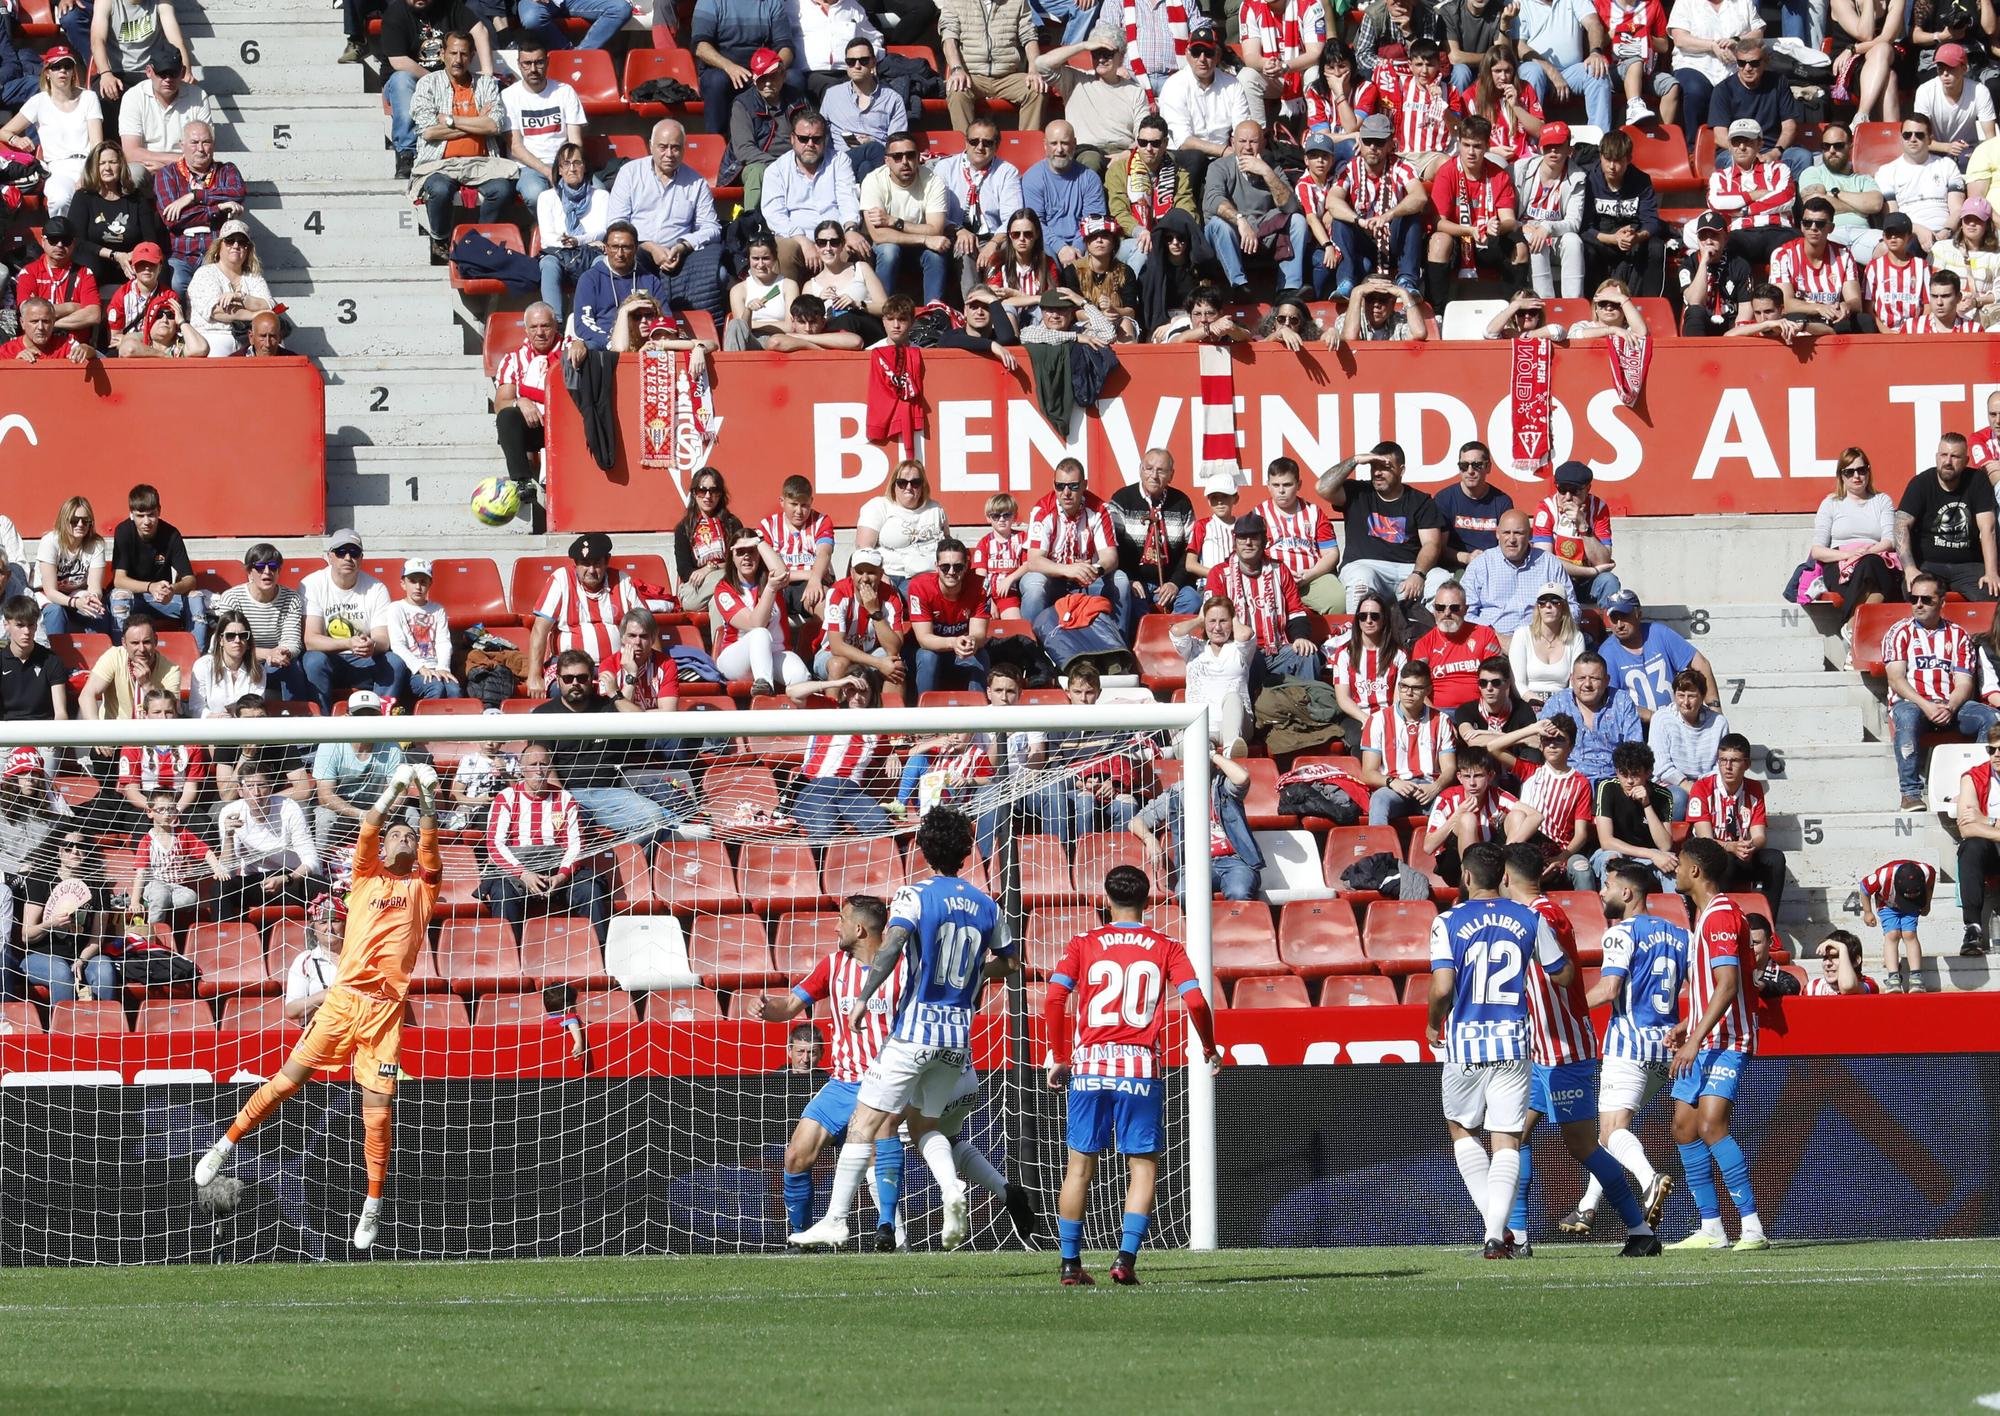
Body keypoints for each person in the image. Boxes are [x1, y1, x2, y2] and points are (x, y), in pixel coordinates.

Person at [195, 764, 442, 1253]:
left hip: (385, 1013)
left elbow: (432, 849)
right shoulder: (364, 877)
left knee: (377, 1115)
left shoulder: (423, 888)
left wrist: (428, 801)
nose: (402, 840)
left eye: (409, 837)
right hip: (343, 1001)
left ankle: (372, 1205)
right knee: (286, 1081)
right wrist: (395, 791)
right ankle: (224, 1145)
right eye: (396, 834)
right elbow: (369, 827)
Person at [790, 807, 1014, 1251]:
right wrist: (977, 975)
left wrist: (863, 996)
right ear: (967, 852)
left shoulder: (914, 895)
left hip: (916, 1029)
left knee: (865, 1123)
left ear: (924, 848)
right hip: (958, 1037)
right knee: (929, 1128)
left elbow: (891, 945)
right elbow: (1009, 963)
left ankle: (837, 1220)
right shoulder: (988, 905)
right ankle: (953, 1188)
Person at [1043, 863, 1218, 1286]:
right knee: (1142, 1167)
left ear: (1106, 900)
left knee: (1079, 1167)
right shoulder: (1166, 946)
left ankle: (1070, 1264)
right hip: (1140, 1066)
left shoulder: (1084, 942)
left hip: (1089, 1066)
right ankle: (1124, 1260)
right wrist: (1209, 1046)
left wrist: (1060, 1054)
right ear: (1148, 900)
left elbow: (1053, 997)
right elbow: (1195, 1002)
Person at [1499, 844, 1661, 1255]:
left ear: (1506, 876)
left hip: (1564, 1051)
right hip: (1542, 1051)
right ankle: (1516, 1238)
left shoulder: (1540, 915)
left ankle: (1641, 1232)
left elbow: (1563, 975)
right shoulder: (1539, 913)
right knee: (1511, 1138)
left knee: (1584, 1146)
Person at [1426, 841, 1572, 1259]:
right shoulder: (1529, 917)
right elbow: (1562, 975)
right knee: (1505, 1139)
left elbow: (1442, 987)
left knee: (1462, 1131)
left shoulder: (1447, 921)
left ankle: (1495, 1231)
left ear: (1466, 877)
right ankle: (1497, 1234)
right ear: (1503, 878)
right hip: (1513, 1040)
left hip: (1466, 1043)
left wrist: (1433, 1023)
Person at [754, 893, 912, 1248]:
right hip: (841, 1084)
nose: (835, 926)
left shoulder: (904, 966)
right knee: (796, 1156)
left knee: (872, 1161)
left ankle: (896, 1237)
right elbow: (791, 1005)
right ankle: (802, 1239)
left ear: (858, 929)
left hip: (883, 1084)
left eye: (841, 920)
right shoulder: (833, 965)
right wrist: (769, 1007)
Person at [1558, 858, 1685, 1237]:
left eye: (1607, 885)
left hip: (1628, 1044)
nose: (1601, 891)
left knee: (1612, 1131)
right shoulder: (1682, 936)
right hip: (1664, 1048)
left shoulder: (1620, 933)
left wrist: (1568, 1005)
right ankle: (1586, 1207)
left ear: (1627, 893)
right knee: (1612, 1132)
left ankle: (1648, 1180)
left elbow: (1610, 989)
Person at [1664, 837, 1767, 1251]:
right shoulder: (1705, 915)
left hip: (1728, 1039)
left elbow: (1727, 987)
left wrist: (1694, 1040)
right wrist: (1686, 1025)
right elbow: (1715, 988)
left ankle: (1753, 1227)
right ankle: (1711, 1227)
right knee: (1684, 1127)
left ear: (1695, 871)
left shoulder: (1722, 915)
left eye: (1679, 865)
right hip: (1706, 1036)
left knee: (1710, 1125)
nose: (1673, 870)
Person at [480, 742, 612, 951]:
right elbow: (495, 845)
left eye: (544, 764)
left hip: (556, 870)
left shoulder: (565, 799)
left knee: (590, 889)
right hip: (518, 871)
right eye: (533, 764)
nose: (539, 769)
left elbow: (575, 844)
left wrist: (561, 876)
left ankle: (600, 954)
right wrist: (524, 874)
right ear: (522, 768)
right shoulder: (506, 797)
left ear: (550, 768)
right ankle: (506, 958)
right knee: (502, 892)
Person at [1884, 572, 1991, 810]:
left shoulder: (1958, 635)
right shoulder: (1899, 633)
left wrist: (1950, 706)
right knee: (1907, 715)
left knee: (1990, 718)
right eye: (1914, 599)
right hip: (1912, 704)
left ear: (1942, 603)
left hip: (1950, 704)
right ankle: (1910, 793)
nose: (1918, 604)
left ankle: (1979, 787)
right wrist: (1926, 705)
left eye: (1926, 599)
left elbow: (1964, 683)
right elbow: (1896, 679)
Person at [609, 120, 727, 323]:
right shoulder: (629, 173)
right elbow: (616, 222)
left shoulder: (696, 183)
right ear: (651, 146)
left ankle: (699, 328)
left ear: (683, 149)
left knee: (721, 273)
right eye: (663, 147)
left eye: (676, 148)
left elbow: (712, 227)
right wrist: (649, 247)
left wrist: (683, 245)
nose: (669, 154)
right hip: (637, 249)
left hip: (678, 255)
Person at [1318, 441, 1452, 613]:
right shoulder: (1358, 492)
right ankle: (1360, 638)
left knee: (1441, 580)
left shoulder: (1420, 501)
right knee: (1361, 578)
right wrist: (1355, 460)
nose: (1378, 473)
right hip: (1366, 566)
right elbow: (1322, 487)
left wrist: (1418, 574)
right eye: (1374, 467)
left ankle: (1437, 639)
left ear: (1401, 470)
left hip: (1409, 569)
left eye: (1385, 467)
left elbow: (1431, 544)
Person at [1130, 747, 1263, 901]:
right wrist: (1149, 839)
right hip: (1196, 864)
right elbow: (1135, 821)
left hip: (1235, 861)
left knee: (1239, 892)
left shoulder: (1223, 784)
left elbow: (1242, 778)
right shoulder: (1178, 792)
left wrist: (1212, 754)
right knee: (1185, 892)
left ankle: (1235, 925)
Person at [1203, 514, 1319, 686]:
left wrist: (1300, 637)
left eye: (1254, 536)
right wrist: (1245, 644)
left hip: (1278, 650)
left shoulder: (1280, 570)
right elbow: (1213, 618)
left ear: (1264, 541)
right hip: (1238, 650)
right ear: (1235, 542)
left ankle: (1308, 710)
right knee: (1246, 656)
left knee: (1307, 654)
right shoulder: (1219, 573)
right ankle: (1247, 712)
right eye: (1242, 537)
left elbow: (1295, 611)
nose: (1248, 542)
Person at [1322, 113, 1428, 294]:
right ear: (1360, 142)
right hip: (1364, 237)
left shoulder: (1402, 167)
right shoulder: (1349, 168)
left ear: (1389, 145)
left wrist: (1389, 215)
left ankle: (1407, 280)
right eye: (1367, 141)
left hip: (1392, 238)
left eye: (1379, 142)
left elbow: (1420, 197)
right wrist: (1358, 221)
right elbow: (1332, 201)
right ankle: (1345, 282)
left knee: (1412, 215)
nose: (1372, 147)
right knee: (1338, 219)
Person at [1424, 114, 1522, 307]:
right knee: (1438, 241)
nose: (1471, 152)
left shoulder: (1499, 175)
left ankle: (1515, 310)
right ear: (1459, 143)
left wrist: (1499, 227)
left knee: (1519, 248)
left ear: (1486, 146)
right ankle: (1436, 312)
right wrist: (1469, 230)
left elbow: (1509, 220)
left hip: (1488, 239)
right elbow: (1439, 222)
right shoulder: (1447, 172)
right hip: (1458, 238)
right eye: (1466, 145)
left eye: (1477, 146)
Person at [1201, 119, 1309, 294]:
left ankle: (1289, 288)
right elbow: (1213, 200)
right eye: (1242, 141)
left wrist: (1266, 172)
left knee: (1297, 220)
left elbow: (1290, 206)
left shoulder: (1272, 166)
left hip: (1263, 231)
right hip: (1233, 233)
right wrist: (1240, 221)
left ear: (1263, 143)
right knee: (1217, 225)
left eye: (1254, 141)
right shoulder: (1218, 167)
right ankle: (1239, 286)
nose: (1248, 147)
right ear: (1233, 142)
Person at [760, 111, 866, 285]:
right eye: (803, 139)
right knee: (783, 250)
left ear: (825, 140)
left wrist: (850, 230)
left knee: (855, 245)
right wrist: (803, 240)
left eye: (816, 139)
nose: (810, 144)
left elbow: (848, 200)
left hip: (835, 236)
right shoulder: (775, 170)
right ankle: (791, 306)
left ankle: (846, 307)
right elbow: (775, 215)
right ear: (792, 139)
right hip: (795, 238)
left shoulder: (840, 161)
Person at [301, 530, 399, 712]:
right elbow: (310, 640)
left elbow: (383, 639)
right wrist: (348, 643)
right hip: (329, 659)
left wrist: (371, 645)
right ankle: (319, 726)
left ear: (361, 558)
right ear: (330, 556)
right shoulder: (312, 584)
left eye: (354, 553)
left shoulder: (376, 588)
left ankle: (382, 722)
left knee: (394, 662)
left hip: (363, 659)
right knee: (313, 660)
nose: (348, 558)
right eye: (341, 552)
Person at [1685, 731, 1783, 913]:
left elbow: (1760, 835)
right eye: (1723, 760)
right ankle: (1723, 920)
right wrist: (1730, 847)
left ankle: (1766, 927)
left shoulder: (1754, 788)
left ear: (1747, 764)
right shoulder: (1702, 787)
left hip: (1740, 853)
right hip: (1709, 857)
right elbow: (1705, 840)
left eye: (1735, 761)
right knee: (1726, 860)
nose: (1727, 767)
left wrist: (1749, 845)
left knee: (1775, 859)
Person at [20, 823, 116, 1004]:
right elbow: (26, 935)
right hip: (41, 957)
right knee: (61, 972)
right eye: (68, 846)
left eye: (81, 846)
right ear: (58, 850)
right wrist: (51, 924)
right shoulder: (40, 879)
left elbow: (97, 937)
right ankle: (64, 1030)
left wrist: (81, 959)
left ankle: (103, 1026)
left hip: (83, 957)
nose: (75, 851)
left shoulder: (98, 886)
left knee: (105, 968)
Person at [0, 45, 101, 215]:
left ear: (73, 71)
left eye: (67, 66)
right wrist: (15, 139)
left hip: (88, 163)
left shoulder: (88, 98)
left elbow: (97, 144)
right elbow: (4, 131)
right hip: (57, 167)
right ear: (47, 72)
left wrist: (89, 173)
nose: (63, 71)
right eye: (56, 66)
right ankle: (60, 239)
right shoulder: (38, 101)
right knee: (59, 198)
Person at [1897, 436, 1999, 602]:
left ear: (1966, 460)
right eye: (1943, 455)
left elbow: (1988, 529)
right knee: (1916, 594)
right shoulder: (1921, 483)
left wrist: (1991, 572)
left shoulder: (1978, 481)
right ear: (1937, 457)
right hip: (1930, 564)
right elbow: (1901, 525)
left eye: (1955, 456)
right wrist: (1909, 568)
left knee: (1992, 593)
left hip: (1969, 566)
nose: (1948, 461)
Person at [1019, 458, 1119, 627]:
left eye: (1073, 486)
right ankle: (1030, 648)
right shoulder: (1043, 510)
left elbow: (1111, 557)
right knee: (1033, 585)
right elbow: (1034, 561)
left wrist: (1095, 569)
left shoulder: (1100, 509)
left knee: (1121, 581)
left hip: (1088, 577)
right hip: (1052, 577)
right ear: (1054, 485)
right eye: (1060, 486)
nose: (1066, 492)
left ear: (1084, 484)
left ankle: (1118, 645)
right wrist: (1069, 570)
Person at [152, 121, 245, 299]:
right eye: (194, 142)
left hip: (216, 253)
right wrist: (217, 208)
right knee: (176, 287)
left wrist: (194, 197)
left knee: (218, 290)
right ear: (183, 145)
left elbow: (238, 192)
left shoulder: (227, 171)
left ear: (213, 145)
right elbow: (172, 219)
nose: (200, 149)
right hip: (180, 254)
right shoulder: (167, 174)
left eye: (206, 142)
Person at [215, 759, 319, 919]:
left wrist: (287, 879)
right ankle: (226, 939)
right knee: (220, 887)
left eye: (262, 785)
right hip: (254, 880)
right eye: (250, 786)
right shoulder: (230, 812)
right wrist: (229, 837)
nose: (256, 793)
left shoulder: (289, 808)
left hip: (289, 878)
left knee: (319, 884)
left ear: (270, 788)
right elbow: (228, 872)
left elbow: (312, 861)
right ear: (240, 790)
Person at [1158, 21, 1250, 196]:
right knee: (1196, 158)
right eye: (1196, 52)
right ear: (1187, 54)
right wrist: (1225, 151)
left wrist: (1239, 151)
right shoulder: (1174, 85)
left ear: (1217, 55)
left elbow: (1242, 127)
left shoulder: (1233, 84)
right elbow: (1184, 141)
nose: (1202, 59)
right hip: (1184, 157)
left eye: (1208, 53)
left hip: (1223, 157)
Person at [1360, 661, 1458, 826]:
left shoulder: (1441, 720)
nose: (1409, 693)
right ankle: (1379, 851)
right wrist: (1393, 782)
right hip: (1394, 787)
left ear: (1428, 690)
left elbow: (1449, 768)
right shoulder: (1377, 720)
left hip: (1430, 787)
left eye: (1416, 688)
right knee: (1379, 800)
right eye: (1404, 686)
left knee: (1454, 805)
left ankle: (1446, 852)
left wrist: (1436, 787)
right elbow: (1369, 772)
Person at [713, 531, 812, 692]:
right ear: (732, 557)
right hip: (736, 658)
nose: (746, 557)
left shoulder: (771, 578)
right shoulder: (724, 588)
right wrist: (771, 589)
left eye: (751, 551)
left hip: (776, 652)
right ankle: (763, 686)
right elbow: (755, 624)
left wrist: (759, 542)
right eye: (740, 552)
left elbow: (782, 573)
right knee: (760, 633)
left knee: (800, 676)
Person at [1598, 591, 1717, 725]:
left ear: (1639, 614)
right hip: (1637, 729)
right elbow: (1611, 700)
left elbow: (1701, 663)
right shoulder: (1607, 652)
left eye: (1625, 616)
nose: (1619, 624)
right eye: (1614, 618)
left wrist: (1714, 707)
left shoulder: (1659, 632)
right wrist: (1655, 718)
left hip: (1677, 721)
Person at [1573, 738, 1675, 890]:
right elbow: (1606, 842)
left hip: (1647, 855)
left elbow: (1665, 845)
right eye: (1623, 774)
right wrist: (1652, 854)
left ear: (1648, 772)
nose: (1629, 781)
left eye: (1635, 775)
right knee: (1613, 859)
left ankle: (1676, 912)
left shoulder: (1663, 795)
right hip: (1613, 852)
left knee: (1670, 863)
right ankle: (1613, 910)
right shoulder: (1607, 788)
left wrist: (1647, 804)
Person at [108, 482, 202, 646]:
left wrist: (172, 589)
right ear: (131, 514)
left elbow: (190, 579)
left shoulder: (171, 534)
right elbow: (119, 580)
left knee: (196, 598)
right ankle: (121, 658)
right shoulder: (123, 531)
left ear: (159, 511)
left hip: (163, 598)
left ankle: (196, 661)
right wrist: (151, 586)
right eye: (140, 515)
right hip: (133, 597)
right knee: (119, 596)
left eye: (151, 514)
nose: (146, 521)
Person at [215, 544, 307, 703]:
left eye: (273, 566)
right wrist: (268, 654)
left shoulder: (291, 599)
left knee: (294, 667)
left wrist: (282, 654)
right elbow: (229, 642)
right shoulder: (232, 598)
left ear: (279, 571)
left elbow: (292, 641)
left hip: (277, 662)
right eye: (259, 567)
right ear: (249, 571)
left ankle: (298, 716)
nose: (267, 572)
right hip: (241, 660)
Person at [1705, 36, 1808, 177]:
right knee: (1734, 161)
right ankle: (1746, 198)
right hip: (1737, 151)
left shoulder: (1779, 83)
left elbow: (1789, 127)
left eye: (1754, 63)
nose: (1747, 68)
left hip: (1773, 149)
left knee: (1802, 157)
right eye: (1741, 63)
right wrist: (1750, 154)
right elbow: (1720, 136)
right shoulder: (1723, 90)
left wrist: (1775, 152)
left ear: (1766, 62)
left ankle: (1789, 197)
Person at [1465, 512, 1577, 638]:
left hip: (1541, 640)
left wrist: (1551, 632)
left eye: (1518, 533)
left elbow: (1572, 608)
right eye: (1506, 533)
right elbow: (1465, 613)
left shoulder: (1550, 564)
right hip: (1493, 642)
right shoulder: (1480, 565)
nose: (1512, 539)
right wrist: (1495, 636)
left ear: (1530, 535)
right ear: (1497, 534)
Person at [1539, 652, 1643, 787]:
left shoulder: (1621, 701)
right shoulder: (1557, 703)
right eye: (1581, 678)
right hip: (1568, 781)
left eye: (1594, 678)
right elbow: (1544, 743)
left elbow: (1634, 748)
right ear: (1572, 680)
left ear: (1607, 680)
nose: (1587, 684)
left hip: (1613, 782)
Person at [71, 142, 165, 291]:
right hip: (98, 260)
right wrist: (115, 255)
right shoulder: (83, 197)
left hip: (131, 260)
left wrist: (131, 256)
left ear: (121, 165)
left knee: (154, 265)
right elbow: (77, 241)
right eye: (101, 163)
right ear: (94, 167)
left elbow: (150, 239)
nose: (107, 168)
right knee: (87, 266)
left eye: (112, 162)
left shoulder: (136, 198)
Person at [1422, 745, 1519, 887]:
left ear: (1490, 776)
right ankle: (1472, 887)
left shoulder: (1497, 795)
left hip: (1492, 860)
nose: (1472, 783)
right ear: (1459, 777)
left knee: (1518, 816)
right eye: (1467, 776)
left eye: (1478, 776)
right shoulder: (1448, 798)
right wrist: (1456, 817)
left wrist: (1506, 850)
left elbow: (1535, 816)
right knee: (1467, 819)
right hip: (1454, 866)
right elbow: (1428, 847)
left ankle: (1508, 880)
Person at [1531, 460, 1623, 609]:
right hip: (1559, 579)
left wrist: (1582, 525)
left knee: (1609, 581)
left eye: (1574, 491)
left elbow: (1603, 561)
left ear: (1588, 489)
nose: (1567, 497)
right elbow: (1545, 562)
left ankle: (1609, 628)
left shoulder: (1599, 508)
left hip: (1590, 583)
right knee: (1544, 580)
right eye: (1562, 489)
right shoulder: (1546, 508)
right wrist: (1590, 571)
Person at [1705, 120, 1796, 267]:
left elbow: (1786, 197)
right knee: (1727, 250)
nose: (1741, 147)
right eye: (1736, 142)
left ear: (1760, 144)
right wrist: (1752, 195)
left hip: (1779, 231)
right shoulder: (1720, 176)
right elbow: (1716, 203)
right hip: (1740, 234)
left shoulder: (1778, 169)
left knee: (1793, 250)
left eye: (1747, 141)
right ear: (1729, 146)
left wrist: (1744, 210)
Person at [905, 539, 990, 696]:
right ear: (936, 566)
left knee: (980, 655)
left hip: (959, 652)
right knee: (928, 656)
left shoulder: (980, 587)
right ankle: (924, 714)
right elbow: (924, 639)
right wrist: (953, 642)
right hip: (926, 652)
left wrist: (970, 642)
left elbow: (979, 635)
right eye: (945, 567)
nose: (951, 572)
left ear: (966, 567)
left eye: (958, 567)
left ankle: (978, 714)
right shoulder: (919, 587)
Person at [1323, 589, 1407, 747]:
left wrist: (1386, 721)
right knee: (1361, 740)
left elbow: (1398, 698)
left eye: (1374, 616)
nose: (1368, 621)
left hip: (1389, 715)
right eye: (1363, 616)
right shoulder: (1343, 654)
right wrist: (1365, 718)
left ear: (1384, 619)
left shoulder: (1399, 654)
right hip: (1356, 715)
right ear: (1357, 620)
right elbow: (1343, 698)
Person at [1171, 599, 1256, 754]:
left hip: (1236, 727)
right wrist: (1199, 620)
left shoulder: (1239, 650)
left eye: (1223, 621)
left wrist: (1234, 615)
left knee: (1233, 697)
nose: (1217, 627)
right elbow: (1176, 631)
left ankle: (1232, 750)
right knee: (1182, 744)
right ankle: (1211, 754)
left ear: (1232, 622)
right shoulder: (1195, 647)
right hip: (1202, 727)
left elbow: (1245, 634)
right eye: (1212, 621)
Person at [1798, 123, 1887, 267]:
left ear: (1850, 147)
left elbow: (1875, 204)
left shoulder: (1864, 179)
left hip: (1862, 233)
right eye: (1826, 146)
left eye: (1838, 146)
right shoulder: (1812, 172)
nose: (1831, 151)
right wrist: (1860, 206)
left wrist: (1834, 194)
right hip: (1827, 232)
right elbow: (1815, 206)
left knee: (1890, 248)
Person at [854, 459, 948, 595]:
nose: (909, 487)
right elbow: (863, 549)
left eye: (915, 483)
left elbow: (948, 543)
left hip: (930, 575)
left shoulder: (936, 509)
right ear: (894, 485)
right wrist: (880, 575)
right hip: (891, 575)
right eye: (902, 483)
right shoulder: (879, 506)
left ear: (923, 486)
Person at [184, 220, 273, 358]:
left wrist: (240, 298)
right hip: (214, 336)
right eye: (230, 241)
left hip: (251, 338)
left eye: (242, 242)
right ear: (219, 246)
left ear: (248, 249)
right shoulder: (205, 273)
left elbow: (268, 305)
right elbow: (217, 311)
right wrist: (254, 315)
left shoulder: (254, 277)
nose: (236, 245)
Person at [1878, 113, 1966, 252]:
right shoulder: (1886, 171)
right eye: (1907, 135)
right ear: (1901, 138)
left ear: (1930, 140)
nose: (1912, 139)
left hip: (1947, 233)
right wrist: (1918, 230)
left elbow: (1957, 209)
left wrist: (1946, 231)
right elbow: (1892, 216)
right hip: (1907, 234)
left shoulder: (1947, 165)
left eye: (1919, 135)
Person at [1412, 582, 1503, 711]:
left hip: (1479, 711)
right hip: (1439, 712)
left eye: (1454, 608)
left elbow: (1498, 679)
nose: (1447, 613)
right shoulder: (1423, 644)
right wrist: (1436, 718)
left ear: (1465, 609)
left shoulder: (1485, 634)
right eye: (1440, 607)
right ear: (1433, 609)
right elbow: (1416, 686)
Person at [1649, 668, 1726, 817]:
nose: (1685, 702)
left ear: (1702, 696)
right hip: (1670, 783)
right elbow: (1660, 765)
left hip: (1706, 783)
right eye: (1680, 695)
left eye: (1691, 696)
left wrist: (1701, 786)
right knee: (1678, 797)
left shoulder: (1718, 722)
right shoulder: (1662, 718)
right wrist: (1687, 785)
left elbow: (1720, 764)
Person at [1457, 655, 1546, 783]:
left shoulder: (1523, 709)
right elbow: (1473, 740)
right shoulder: (1466, 709)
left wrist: (1489, 736)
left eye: (1496, 682)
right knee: (1488, 756)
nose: (1489, 688)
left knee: (1533, 754)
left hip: (1515, 769)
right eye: (1483, 683)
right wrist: (1523, 738)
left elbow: (1534, 741)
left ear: (1508, 683)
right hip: (1484, 775)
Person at [36, 494, 115, 638]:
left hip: (78, 592)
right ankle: (55, 657)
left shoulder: (96, 545)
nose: (80, 525)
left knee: (97, 610)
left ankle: (99, 656)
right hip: (47, 595)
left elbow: (95, 588)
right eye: (74, 520)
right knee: (55, 612)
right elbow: (50, 591)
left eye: (85, 521)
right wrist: (75, 603)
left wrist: (93, 598)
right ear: (64, 520)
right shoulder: (50, 542)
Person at [13, 219, 102, 342]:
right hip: (38, 347)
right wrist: (71, 307)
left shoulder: (85, 273)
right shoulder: (29, 272)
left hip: (75, 350)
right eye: (53, 240)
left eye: (66, 241)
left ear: (73, 244)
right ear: (43, 242)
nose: (60, 245)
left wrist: (50, 323)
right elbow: (27, 312)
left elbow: (93, 315)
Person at [383, 560, 458, 702]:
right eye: (412, 581)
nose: (418, 587)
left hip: (436, 667)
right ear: (403, 583)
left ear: (430, 584)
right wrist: (420, 668)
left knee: (454, 689)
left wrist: (443, 667)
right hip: (411, 671)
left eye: (423, 582)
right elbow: (398, 645)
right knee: (435, 688)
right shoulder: (396, 608)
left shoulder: (438, 609)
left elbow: (443, 642)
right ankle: (427, 723)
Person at [1857, 858, 1935, 992]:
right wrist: (1867, 912)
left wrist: (1927, 903)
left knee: (1909, 934)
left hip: (1914, 903)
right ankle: (1893, 977)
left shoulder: (1927, 871)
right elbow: (1864, 888)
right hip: (1887, 904)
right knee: (1892, 935)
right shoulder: (1882, 877)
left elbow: (1930, 885)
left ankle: (1916, 976)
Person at [1433, 441, 1514, 569]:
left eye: (1477, 465)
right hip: (1453, 568)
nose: (1470, 471)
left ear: (1488, 467)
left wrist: (1485, 559)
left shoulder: (1502, 502)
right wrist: (1467, 557)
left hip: (1493, 567)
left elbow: (1508, 544)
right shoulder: (1444, 499)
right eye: (1464, 465)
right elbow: (1437, 548)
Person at [0, 596, 71, 725]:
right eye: (20, 625)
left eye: (31, 625)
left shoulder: (52, 661)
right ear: (6, 625)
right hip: (7, 735)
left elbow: (61, 713)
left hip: (43, 734)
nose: (27, 631)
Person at [189, 609, 266, 718]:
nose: (237, 640)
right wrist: (211, 716)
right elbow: (196, 706)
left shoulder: (258, 670)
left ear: (248, 641)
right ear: (220, 640)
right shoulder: (203, 666)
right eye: (230, 636)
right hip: (210, 729)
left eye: (243, 635)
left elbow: (256, 709)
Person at [1934, 199, 2000, 327]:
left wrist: (1975, 302)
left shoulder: (1996, 256)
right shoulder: (1942, 249)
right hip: (1947, 315)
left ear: (1987, 224)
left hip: (1983, 318)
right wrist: (1953, 304)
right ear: (1961, 222)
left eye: (1978, 219)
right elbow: (1932, 287)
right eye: (1967, 218)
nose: (1971, 223)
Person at [284, 894, 345, 1027]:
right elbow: (291, 1009)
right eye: (322, 922)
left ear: (345, 925)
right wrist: (325, 995)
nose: (330, 928)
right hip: (317, 1034)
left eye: (335, 921)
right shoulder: (305, 960)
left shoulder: (358, 958)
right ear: (314, 930)